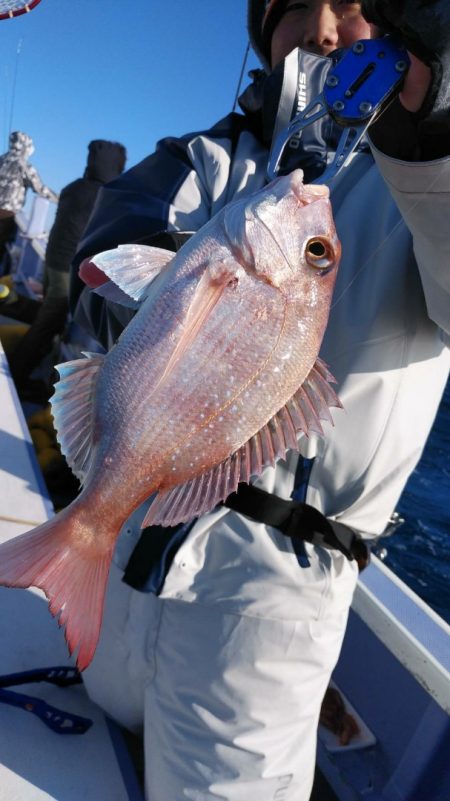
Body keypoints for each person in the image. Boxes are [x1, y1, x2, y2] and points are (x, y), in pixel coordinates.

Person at [69, 2, 450, 800]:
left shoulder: (426, 183)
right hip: (127, 558)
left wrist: (434, 135)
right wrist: (168, 294)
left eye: (352, 6)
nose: (323, 28)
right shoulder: (208, 153)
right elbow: (116, 235)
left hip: (266, 613)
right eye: (295, 6)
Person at [3, 139, 126, 398]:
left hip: (52, 261)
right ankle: (17, 375)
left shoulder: (73, 188)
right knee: (49, 323)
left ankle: (7, 305)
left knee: (47, 311)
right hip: (67, 268)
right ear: (116, 167)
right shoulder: (108, 196)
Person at [0, 131, 58, 270]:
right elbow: (40, 189)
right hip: (6, 215)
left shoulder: (1, 159)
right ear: (26, 147)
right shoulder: (23, 165)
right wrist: (61, 199)